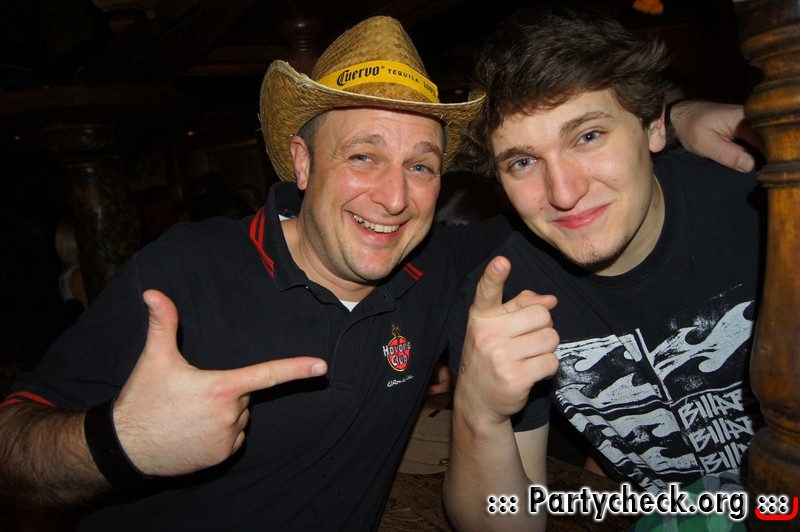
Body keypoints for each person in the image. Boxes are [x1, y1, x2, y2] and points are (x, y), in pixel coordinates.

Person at [0, 13, 757, 532]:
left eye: (420, 166)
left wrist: (679, 119)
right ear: (303, 162)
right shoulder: (187, 272)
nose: (394, 199)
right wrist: (118, 442)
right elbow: (11, 450)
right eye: (363, 156)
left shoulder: (454, 269)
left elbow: (578, 201)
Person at [444, 5, 764, 530]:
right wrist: (480, 414)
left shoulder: (762, 209)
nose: (563, 192)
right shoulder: (502, 301)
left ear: (655, 125)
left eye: (588, 136)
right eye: (523, 162)